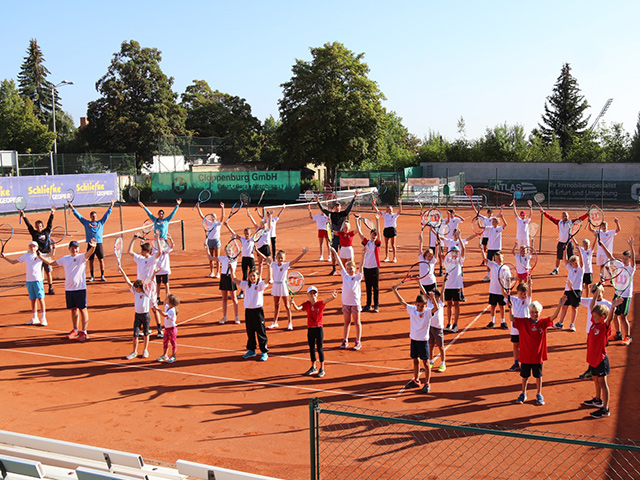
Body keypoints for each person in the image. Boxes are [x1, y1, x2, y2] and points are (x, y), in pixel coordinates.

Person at [511, 296, 565, 406]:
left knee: (538, 376)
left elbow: (553, 317)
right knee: (524, 376)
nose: (534, 314)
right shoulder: (524, 322)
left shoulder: (542, 323)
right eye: (532, 312)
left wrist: (560, 305)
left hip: (537, 356)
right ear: (529, 312)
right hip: (526, 356)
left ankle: (539, 394)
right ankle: (523, 393)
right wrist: (510, 308)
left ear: (539, 312)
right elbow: (512, 319)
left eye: (536, 312)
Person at [40, 239, 96, 341]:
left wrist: (93, 247)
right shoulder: (65, 259)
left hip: (80, 288)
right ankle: (75, 330)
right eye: (72, 248)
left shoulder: (81, 257)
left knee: (83, 309)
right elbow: (52, 263)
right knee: (73, 309)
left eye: (76, 248)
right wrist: (40, 257)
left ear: (78, 249)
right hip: (69, 289)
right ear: (69, 249)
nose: (74, 250)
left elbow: (89, 253)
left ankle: (84, 332)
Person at [392, 284, 440, 394]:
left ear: (425, 306)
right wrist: (395, 291)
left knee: (426, 362)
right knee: (415, 360)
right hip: (414, 339)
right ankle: (416, 380)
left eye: (422, 306)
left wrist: (432, 298)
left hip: (423, 341)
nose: (420, 308)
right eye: (418, 305)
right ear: (415, 304)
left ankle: (427, 383)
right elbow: (402, 302)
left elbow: (436, 308)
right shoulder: (412, 309)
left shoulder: (427, 312)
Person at [582, 299, 620, 419]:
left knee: (602, 382)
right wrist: (597, 293)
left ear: (603, 317)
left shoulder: (604, 327)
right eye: (593, 316)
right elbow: (592, 306)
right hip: (592, 358)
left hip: (601, 359)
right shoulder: (594, 323)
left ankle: (605, 408)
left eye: (596, 316)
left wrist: (612, 307)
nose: (593, 318)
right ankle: (598, 400)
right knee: (595, 378)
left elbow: (609, 319)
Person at [292, 286, 338, 378]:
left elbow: (327, 300)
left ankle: (322, 368)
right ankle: (313, 367)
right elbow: (297, 308)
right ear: (308, 295)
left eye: (314, 293)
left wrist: (333, 297)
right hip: (310, 329)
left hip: (318, 329)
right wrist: (293, 303)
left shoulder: (320, 303)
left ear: (317, 294)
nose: (313, 295)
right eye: (311, 293)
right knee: (312, 348)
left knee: (320, 349)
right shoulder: (306, 304)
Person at [1, 241, 48, 326]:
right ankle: (35, 318)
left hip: (38, 280)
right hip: (29, 281)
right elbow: (13, 262)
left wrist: (53, 247)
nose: (32, 248)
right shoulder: (25, 256)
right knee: (32, 299)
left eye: (34, 246)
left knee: (41, 299)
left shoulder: (40, 255)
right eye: (31, 246)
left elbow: (51, 255)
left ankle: (43, 319)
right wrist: (5, 257)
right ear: (29, 247)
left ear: (37, 248)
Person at [233, 261, 273, 361]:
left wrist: (268, 267)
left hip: (258, 312)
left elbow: (268, 279)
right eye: (250, 276)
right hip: (248, 312)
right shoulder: (246, 285)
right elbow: (234, 279)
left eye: (254, 276)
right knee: (250, 332)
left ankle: (264, 352)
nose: (252, 278)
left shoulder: (260, 285)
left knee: (260, 332)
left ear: (257, 276)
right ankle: (251, 350)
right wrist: (231, 268)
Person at [599, 237, 635, 345]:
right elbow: (610, 256)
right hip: (617, 294)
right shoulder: (619, 266)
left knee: (623, 317)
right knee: (614, 314)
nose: (623, 260)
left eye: (626, 259)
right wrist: (602, 246)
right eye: (623, 258)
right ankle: (618, 333)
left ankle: (628, 337)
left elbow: (633, 258)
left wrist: (631, 246)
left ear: (629, 259)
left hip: (625, 296)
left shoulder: (631, 268)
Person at [68, 199, 115, 282]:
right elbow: (79, 216)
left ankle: (102, 275)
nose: (94, 217)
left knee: (101, 260)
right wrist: (72, 208)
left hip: (99, 244)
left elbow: (106, 215)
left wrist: (111, 206)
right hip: (90, 244)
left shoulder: (101, 223)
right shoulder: (86, 223)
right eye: (93, 216)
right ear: (90, 217)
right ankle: (92, 276)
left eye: (95, 216)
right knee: (91, 260)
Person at [315, 190, 358, 275]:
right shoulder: (331, 214)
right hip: (335, 236)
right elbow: (324, 210)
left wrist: (354, 198)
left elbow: (349, 207)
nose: (337, 207)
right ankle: (334, 269)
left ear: (340, 207)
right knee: (333, 252)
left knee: (344, 255)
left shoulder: (343, 213)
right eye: (336, 206)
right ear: (334, 207)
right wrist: (318, 202)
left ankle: (346, 270)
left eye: (338, 206)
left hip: (342, 237)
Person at [128, 235, 162, 337]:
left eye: (142, 250)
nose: (141, 252)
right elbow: (129, 251)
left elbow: (159, 252)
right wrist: (133, 240)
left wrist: (158, 238)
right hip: (141, 287)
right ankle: (148, 328)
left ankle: (160, 330)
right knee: (144, 309)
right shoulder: (139, 259)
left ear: (147, 251)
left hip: (150, 287)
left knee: (154, 308)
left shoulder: (152, 260)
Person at [331, 246, 364, 350]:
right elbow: (340, 263)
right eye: (348, 269)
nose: (350, 270)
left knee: (357, 322)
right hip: (346, 303)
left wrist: (363, 254)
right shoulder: (344, 275)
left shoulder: (358, 277)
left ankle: (358, 342)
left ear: (355, 269)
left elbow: (362, 265)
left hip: (355, 303)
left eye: (351, 268)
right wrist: (335, 253)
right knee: (346, 322)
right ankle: (345, 340)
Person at [268, 247, 308, 330]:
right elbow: (265, 258)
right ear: (276, 257)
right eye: (279, 258)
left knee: (287, 305)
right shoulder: (274, 264)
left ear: (284, 258)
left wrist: (303, 253)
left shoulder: (286, 265)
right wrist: (256, 250)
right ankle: (274, 322)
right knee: (276, 305)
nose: (280, 259)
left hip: (283, 286)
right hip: (275, 286)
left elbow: (295, 261)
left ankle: (290, 323)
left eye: (282, 258)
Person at [577, 283, 611, 380]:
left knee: (600, 352)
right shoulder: (590, 301)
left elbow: (612, 317)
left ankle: (598, 370)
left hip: (602, 334)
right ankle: (591, 370)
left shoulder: (608, 304)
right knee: (591, 351)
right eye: (594, 291)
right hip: (591, 332)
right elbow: (578, 299)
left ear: (603, 292)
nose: (597, 294)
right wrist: (573, 289)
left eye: (599, 292)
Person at [540, 207, 589, 275]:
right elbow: (551, 218)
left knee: (571, 258)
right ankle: (556, 269)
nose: (564, 217)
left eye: (566, 215)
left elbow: (580, 219)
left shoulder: (571, 222)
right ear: (561, 217)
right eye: (563, 216)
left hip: (569, 243)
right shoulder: (559, 222)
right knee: (558, 257)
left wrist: (587, 214)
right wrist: (544, 213)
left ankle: (573, 270)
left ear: (568, 216)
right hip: (561, 242)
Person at [20, 206, 56, 294]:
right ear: (36, 227)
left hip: (46, 255)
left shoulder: (46, 231)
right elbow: (29, 226)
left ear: (42, 226)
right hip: (38, 255)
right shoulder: (34, 233)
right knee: (38, 273)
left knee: (48, 272)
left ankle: (50, 288)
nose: (38, 227)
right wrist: (24, 216)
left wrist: (52, 213)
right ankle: (40, 288)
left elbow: (50, 223)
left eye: (40, 226)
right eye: (37, 226)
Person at [118, 266, 152, 360]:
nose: (136, 289)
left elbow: (150, 281)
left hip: (146, 315)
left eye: (137, 288)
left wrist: (153, 273)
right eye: (135, 288)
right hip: (137, 315)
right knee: (135, 334)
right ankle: (134, 351)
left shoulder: (147, 293)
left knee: (146, 333)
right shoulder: (135, 292)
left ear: (141, 288)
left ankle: (145, 350)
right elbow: (127, 282)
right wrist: (122, 271)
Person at [206, 245, 240, 325]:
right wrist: (207, 248)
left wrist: (234, 240)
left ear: (233, 251)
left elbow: (238, 250)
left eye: (230, 250)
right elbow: (210, 258)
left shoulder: (234, 258)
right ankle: (224, 317)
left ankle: (236, 317)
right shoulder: (223, 258)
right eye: (227, 250)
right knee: (224, 298)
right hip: (224, 278)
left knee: (234, 298)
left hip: (231, 278)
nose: (229, 251)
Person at [223, 222, 256, 300]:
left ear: (251, 234)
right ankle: (242, 292)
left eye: (248, 233)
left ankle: (254, 290)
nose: (246, 235)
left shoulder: (252, 239)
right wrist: (227, 225)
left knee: (253, 275)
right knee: (244, 276)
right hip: (244, 259)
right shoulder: (242, 239)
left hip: (251, 259)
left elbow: (259, 232)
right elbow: (234, 234)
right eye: (245, 233)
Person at [356, 214, 381, 312]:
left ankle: (376, 305)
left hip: (374, 267)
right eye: (372, 234)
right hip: (366, 268)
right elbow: (359, 232)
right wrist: (357, 220)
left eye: (375, 235)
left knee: (375, 288)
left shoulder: (376, 244)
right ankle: (368, 305)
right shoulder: (366, 242)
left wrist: (377, 220)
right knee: (367, 287)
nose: (374, 236)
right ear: (370, 234)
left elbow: (379, 232)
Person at [554, 247, 584, 332]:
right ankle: (560, 323)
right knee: (564, 307)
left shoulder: (581, 269)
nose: (575, 264)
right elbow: (565, 260)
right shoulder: (570, 268)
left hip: (576, 290)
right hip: (567, 290)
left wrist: (580, 253)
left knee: (574, 308)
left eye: (576, 263)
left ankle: (572, 324)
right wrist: (564, 251)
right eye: (573, 263)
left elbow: (582, 262)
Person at [507, 281, 532, 372]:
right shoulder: (513, 300)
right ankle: (516, 363)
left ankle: (524, 363)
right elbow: (504, 295)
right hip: (515, 329)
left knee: (523, 346)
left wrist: (530, 284)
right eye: (521, 293)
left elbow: (530, 293)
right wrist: (502, 285)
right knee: (515, 345)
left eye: (524, 294)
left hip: (525, 328)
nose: (523, 295)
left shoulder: (527, 301)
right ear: (517, 292)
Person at [443, 232, 465, 333]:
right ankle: (449, 323)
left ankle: (455, 324)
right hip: (448, 285)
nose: (455, 253)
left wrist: (459, 237)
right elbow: (441, 255)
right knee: (448, 304)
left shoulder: (460, 260)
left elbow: (463, 249)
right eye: (453, 251)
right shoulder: (447, 260)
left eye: (456, 252)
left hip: (456, 285)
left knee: (456, 304)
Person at [197, 202, 225, 278]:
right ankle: (212, 272)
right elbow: (202, 216)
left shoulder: (218, 223)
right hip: (210, 241)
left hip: (216, 241)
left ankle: (218, 273)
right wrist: (198, 208)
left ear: (216, 218)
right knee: (210, 258)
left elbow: (223, 216)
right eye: (212, 216)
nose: (212, 217)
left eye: (214, 216)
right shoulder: (208, 223)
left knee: (217, 258)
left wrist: (222, 208)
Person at [483, 251, 508, 329]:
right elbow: (484, 258)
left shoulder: (506, 268)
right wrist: (481, 249)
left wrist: (507, 289)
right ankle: (492, 321)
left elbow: (508, 279)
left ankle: (503, 322)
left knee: (502, 307)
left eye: (500, 258)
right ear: (495, 259)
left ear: (503, 258)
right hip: (493, 290)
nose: (499, 260)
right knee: (493, 306)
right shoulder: (492, 265)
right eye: (497, 259)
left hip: (502, 292)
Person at [481, 205, 507, 281]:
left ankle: (500, 275)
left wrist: (502, 217)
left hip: (497, 248)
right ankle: (488, 276)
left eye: (494, 221)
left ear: (497, 222)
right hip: (490, 248)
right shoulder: (490, 228)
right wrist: (478, 223)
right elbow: (481, 227)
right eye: (492, 221)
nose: (492, 222)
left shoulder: (499, 229)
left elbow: (505, 224)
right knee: (488, 262)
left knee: (499, 262)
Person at [153, 293, 180, 363]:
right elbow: (164, 303)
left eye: (167, 299)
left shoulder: (172, 311)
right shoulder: (168, 307)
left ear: (170, 302)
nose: (166, 300)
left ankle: (174, 356)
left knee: (173, 342)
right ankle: (165, 355)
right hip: (167, 329)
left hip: (172, 330)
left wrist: (158, 309)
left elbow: (164, 315)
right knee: (165, 342)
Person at [373, 198, 402, 263]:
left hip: (392, 230)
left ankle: (394, 257)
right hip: (386, 230)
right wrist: (374, 205)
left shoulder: (394, 215)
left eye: (390, 209)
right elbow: (377, 211)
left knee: (393, 244)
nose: (389, 210)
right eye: (388, 209)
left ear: (392, 209)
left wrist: (400, 203)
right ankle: (387, 257)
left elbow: (400, 210)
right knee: (386, 244)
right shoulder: (385, 215)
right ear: (386, 210)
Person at [248, 209, 273, 277]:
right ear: (261, 225)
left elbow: (269, 222)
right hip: (259, 248)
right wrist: (250, 216)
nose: (263, 225)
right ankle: (260, 277)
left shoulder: (268, 230)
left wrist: (270, 216)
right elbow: (254, 223)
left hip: (266, 247)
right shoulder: (258, 230)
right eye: (262, 224)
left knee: (269, 262)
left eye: (264, 224)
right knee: (260, 264)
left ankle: (270, 277)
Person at [426, 288, 446, 372]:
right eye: (433, 296)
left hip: (438, 328)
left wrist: (444, 281)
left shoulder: (441, 303)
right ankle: (431, 361)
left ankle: (443, 363)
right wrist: (419, 283)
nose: (435, 298)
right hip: (430, 327)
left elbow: (442, 291)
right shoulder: (429, 303)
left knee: (441, 347)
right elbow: (424, 292)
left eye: (436, 296)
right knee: (431, 345)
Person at [154, 234, 174, 305]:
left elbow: (172, 246)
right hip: (158, 271)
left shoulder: (166, 250)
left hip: (164, 270)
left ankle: (167, 297)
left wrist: (170, 239)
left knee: (166, 284)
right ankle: (158, 297)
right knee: (158, 284)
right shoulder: (154, 250)